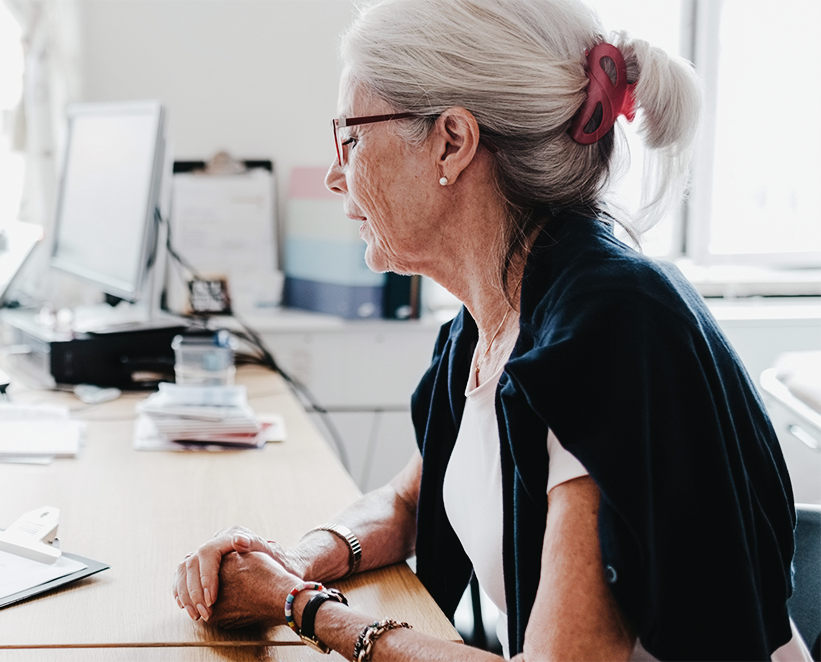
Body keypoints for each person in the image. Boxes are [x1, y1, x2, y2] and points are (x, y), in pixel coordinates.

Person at [173, 0, 811, 660]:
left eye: (351, 137)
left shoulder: (607, 329)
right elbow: (406, 504)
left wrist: (301, 606)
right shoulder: (494, 314)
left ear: (452, 140)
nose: (336, 173)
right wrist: (285, 560)